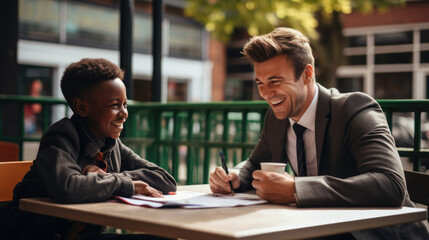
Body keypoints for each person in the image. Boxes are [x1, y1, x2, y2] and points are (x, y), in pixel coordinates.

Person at [209, 27, 429, 239]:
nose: (266, 93)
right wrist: (235, 177)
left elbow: (390, 184)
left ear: (307, 74)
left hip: (376, 234)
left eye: (275, 81)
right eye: (260, 83)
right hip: (319, 230)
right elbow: (255, 164)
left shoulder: (354, 109)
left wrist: (297, 190)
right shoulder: (276, 119)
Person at [0, 58, 176, 240]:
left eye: (125, 104)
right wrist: (125, 184)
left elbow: (165, 180)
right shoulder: (60, 136)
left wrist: (105, 178)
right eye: (114, 105)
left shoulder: (111, 144)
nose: (124, 113)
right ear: (81, 107)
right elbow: (68, 188)